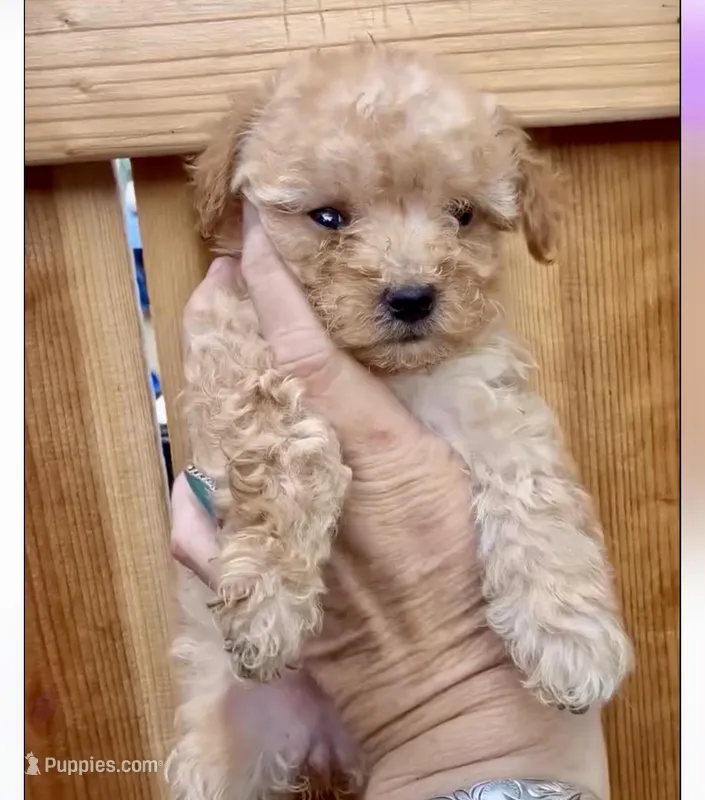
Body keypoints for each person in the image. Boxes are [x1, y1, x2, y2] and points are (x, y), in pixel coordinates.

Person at [170, 203, 610, 800]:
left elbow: (515, 456)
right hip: (264, 703)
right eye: (331, 217)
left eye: (457, 215)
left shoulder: (469, 365)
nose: (410, 271)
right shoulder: (242, 324)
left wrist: (546, 588)